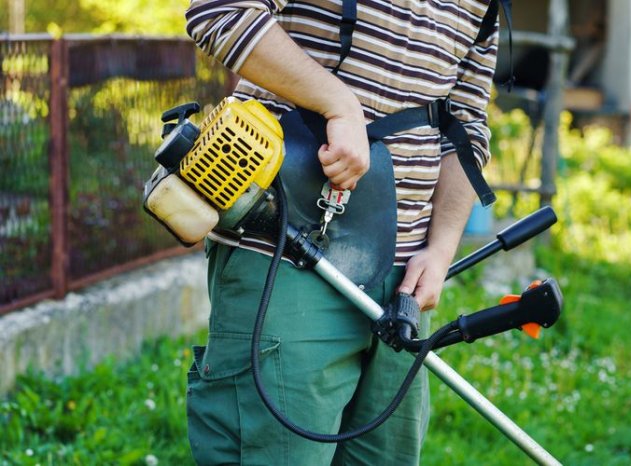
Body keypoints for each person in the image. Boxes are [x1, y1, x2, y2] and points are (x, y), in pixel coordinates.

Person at [183, 0, 499, 463]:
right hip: (287, 252)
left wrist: (441, 248)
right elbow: (220, 10)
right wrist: (338, 104)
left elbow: (466, 122)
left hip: (404, 284)